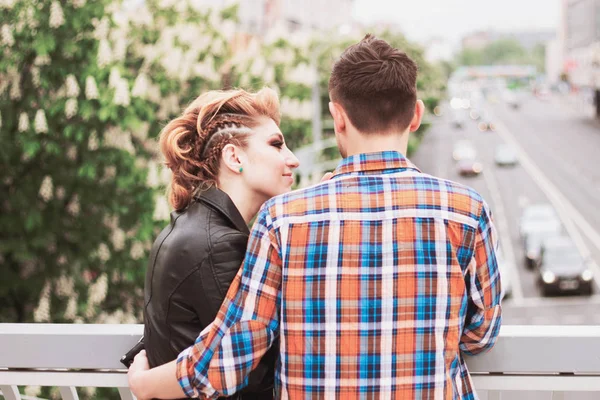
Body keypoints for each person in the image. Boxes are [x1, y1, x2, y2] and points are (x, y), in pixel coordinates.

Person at [128, 34, 502, 400]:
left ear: (337, 117)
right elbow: (481, 333)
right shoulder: (467, 212)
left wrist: (145, 385)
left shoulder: (282, 220)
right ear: (416, 114)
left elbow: (232, 353)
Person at [141, 88, 299, 400]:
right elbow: (249, 373)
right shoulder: (220, 245)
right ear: (234, 157)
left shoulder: (193, 227)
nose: (291, 159)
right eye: (276, 144)